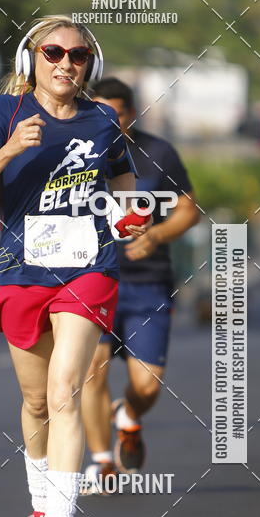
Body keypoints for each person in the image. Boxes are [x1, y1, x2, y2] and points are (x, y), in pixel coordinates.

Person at [0, 17, 148, 517]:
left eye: (78, 55)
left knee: (66, 392)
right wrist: (10, 149)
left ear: (91, 65)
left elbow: (124, 182)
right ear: (31, 59)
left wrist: (130, 214)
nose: (66, 62)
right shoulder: (3, 113)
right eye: (54, 52)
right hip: (22, 270)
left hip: (89, 267)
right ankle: (40, 511)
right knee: (37, 401)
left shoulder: (103, 119)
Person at [81, 78, 199, 491]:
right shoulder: (75, 152)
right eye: (100, 113)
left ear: (131, 113)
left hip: (147, 285)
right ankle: (101, 462)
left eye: (116, 114)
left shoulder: (159, 152)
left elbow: (188, 209)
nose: (108, 122)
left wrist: (157, 235)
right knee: (91, 374)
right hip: (90, 279)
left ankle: (128, 415)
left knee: (147, 385)